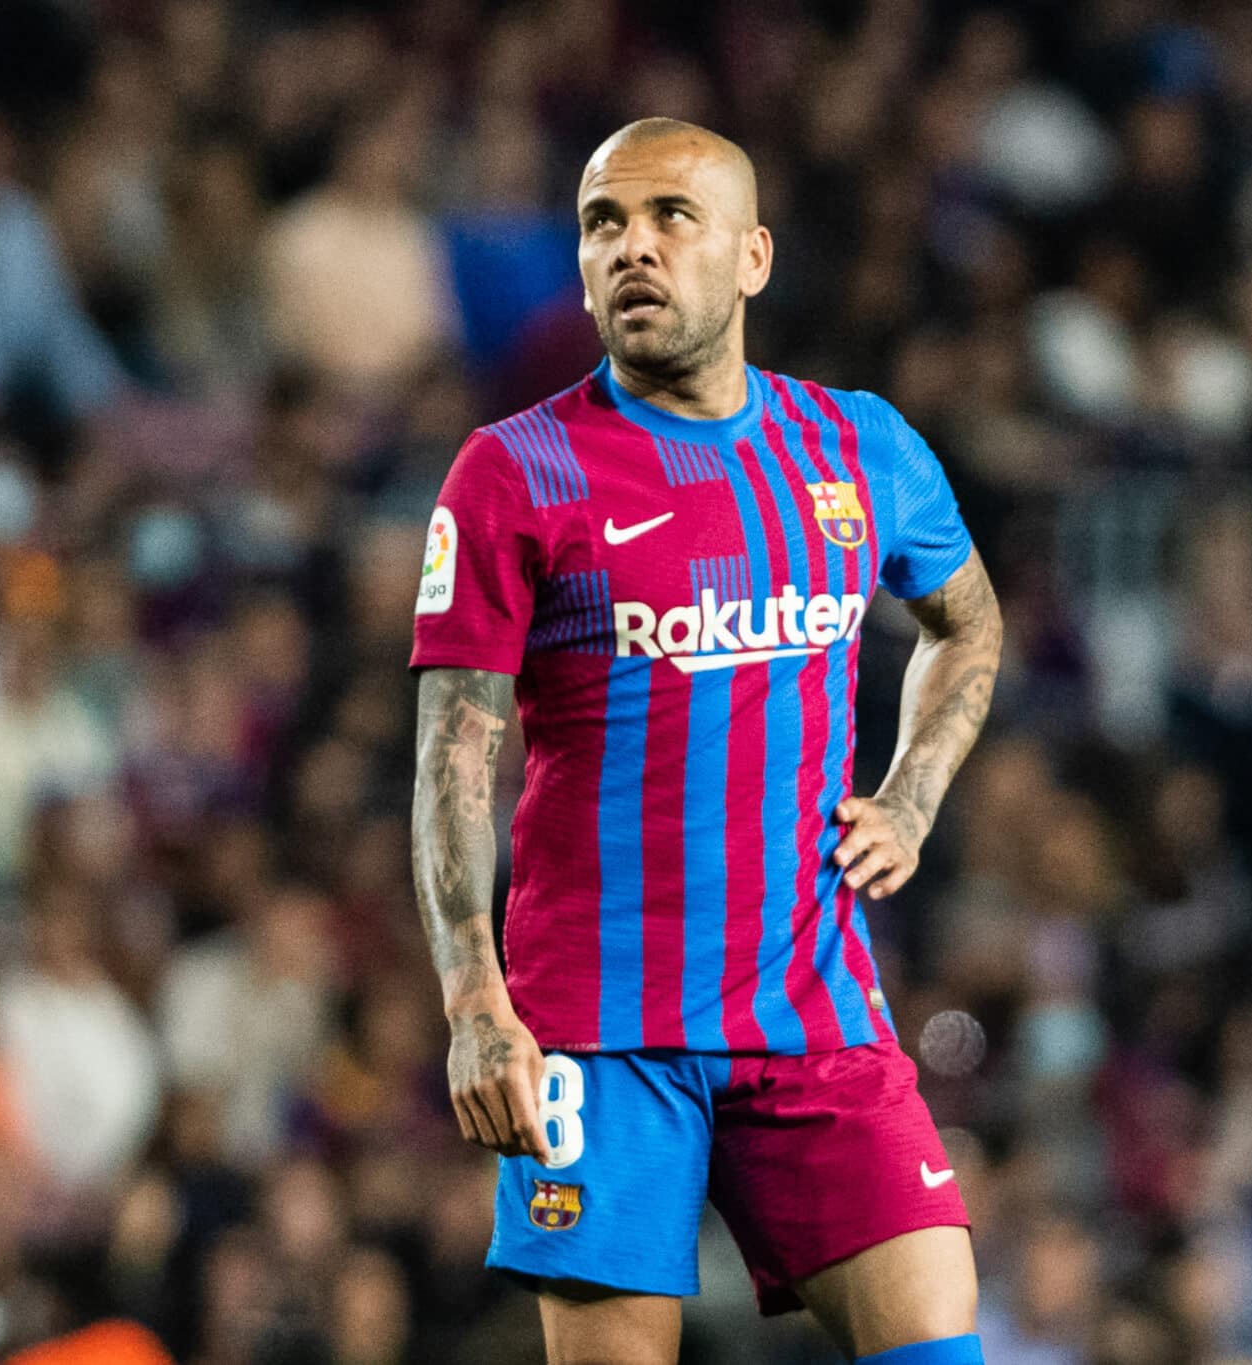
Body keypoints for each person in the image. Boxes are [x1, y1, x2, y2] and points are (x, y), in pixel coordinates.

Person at [409, 118, 1002, 1365]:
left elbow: (964, 620)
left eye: (670, 217)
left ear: (752, 257)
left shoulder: (857, 449)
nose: (631, 248)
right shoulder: (513, 472)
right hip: (596, 1031)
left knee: (938, 1341)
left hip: (812, 1010)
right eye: (601, 224)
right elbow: (454, 752)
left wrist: (911, 793)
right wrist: (472, 1000)